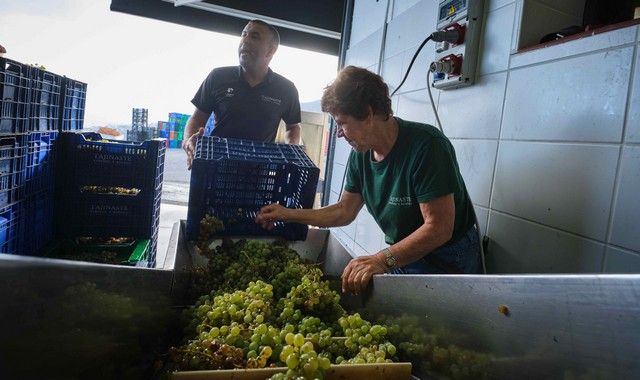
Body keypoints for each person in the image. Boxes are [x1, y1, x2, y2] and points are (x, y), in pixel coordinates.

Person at [255, 66, 482, 294]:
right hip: (405, 253)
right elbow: (344, 211)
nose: (339, 133)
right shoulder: (360, 156)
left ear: (368, 113)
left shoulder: (427, 146)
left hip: (449, 257)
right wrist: (288, 214)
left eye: (342, 122)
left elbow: (439, 228)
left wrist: (381, 260)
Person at [183, 19, 302, 168]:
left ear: (271, 51)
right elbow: (196, 119)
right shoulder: (218, 77)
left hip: (258, 175)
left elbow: (293, 127)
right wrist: (188, 141)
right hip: (216, 167)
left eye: (254, 36)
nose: (245, 40)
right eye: (244, 34)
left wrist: (291, 149)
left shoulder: (286, 89)